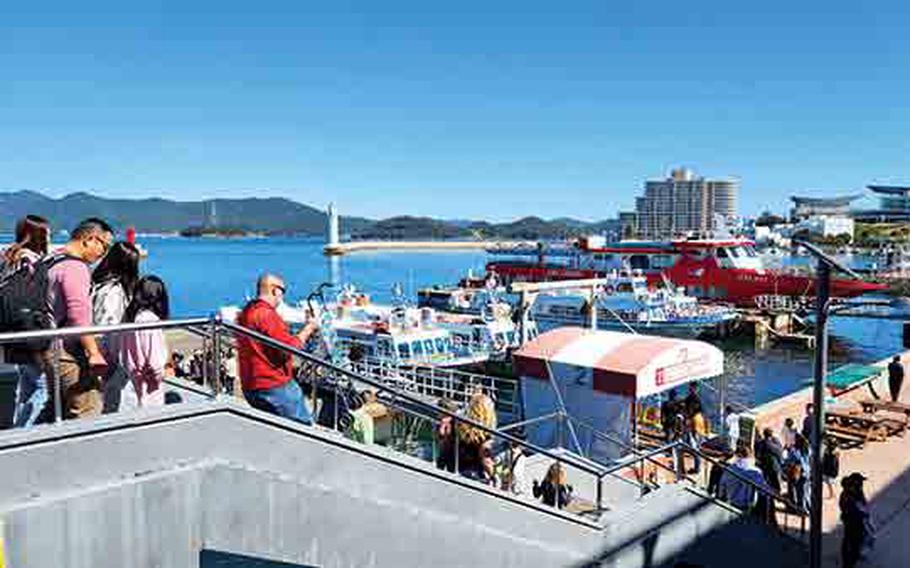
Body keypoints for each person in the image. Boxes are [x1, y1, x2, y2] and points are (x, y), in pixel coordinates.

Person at [42, 218, 114, 420]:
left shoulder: (52, 259)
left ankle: (25, 447)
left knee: (56, 407)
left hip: (45, 343)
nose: (103, 253)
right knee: (88, 405)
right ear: (89, 239)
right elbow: (78, 315)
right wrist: (93, 352)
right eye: (104, 246)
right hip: (64, 348)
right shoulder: (76, 267)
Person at [236, 273, 319, 423]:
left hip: (251, 385)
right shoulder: (267, 315)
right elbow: (289, 348)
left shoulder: (246, 312)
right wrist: (309, 328)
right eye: (283, 291)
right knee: (303, 429)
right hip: (274, 385)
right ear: (275, 290)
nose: (282, 296)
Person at [0, 215, 51, 427]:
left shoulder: (8, 258)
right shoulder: (33, 263)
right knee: (41, 387)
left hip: (10, 331)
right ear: (39, 234)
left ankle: (17, 430)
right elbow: (34, 301)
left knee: (26, 384)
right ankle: (25, 435)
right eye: (47, 232)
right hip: (30, 332)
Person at [91, 241, 141, 412]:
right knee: (112, 402)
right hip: (110, 356)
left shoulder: (98, 284)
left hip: (100, 352)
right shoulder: (113, 291)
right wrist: (110, 359)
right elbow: (108, 327)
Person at [119, 276, 171, 407]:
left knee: (139, 405)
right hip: (149, 378)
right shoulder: (150, 320)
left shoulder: (130, 317)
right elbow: (154, 354)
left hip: (133, 373)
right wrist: (160, 372)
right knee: (152, 410)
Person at [456, 391, 497, 481]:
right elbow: (486, 461)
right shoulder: (486, 436)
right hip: (476, 475)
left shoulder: (463, 428)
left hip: (460, 470)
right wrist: (494, 478)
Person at [718, 446, 768, 513]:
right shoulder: (756, 472)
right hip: (748, 506)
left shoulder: (729, 469)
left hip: (730, 503)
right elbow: (763, 491)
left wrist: (720, 497)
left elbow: (722, 485)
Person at [840, 473, 874, 568]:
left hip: (858, 521)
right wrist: (863, 513)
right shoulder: (847, 495)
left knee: (856, 540)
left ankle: (854, 557)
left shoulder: (858, 492)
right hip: (852, 522)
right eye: (860, 482)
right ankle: (848, 563)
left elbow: (863, 502)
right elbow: (851, 509)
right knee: (850, 541)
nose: (862, 484)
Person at [785, 434, 811, 512]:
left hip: (798, 473)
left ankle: (801, 509)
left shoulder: (795, 451)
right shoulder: (808, 449)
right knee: (806, 491)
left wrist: (789, 450)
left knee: (798, 492)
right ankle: (808, 507)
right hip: (807, 472)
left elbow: (791, 460)